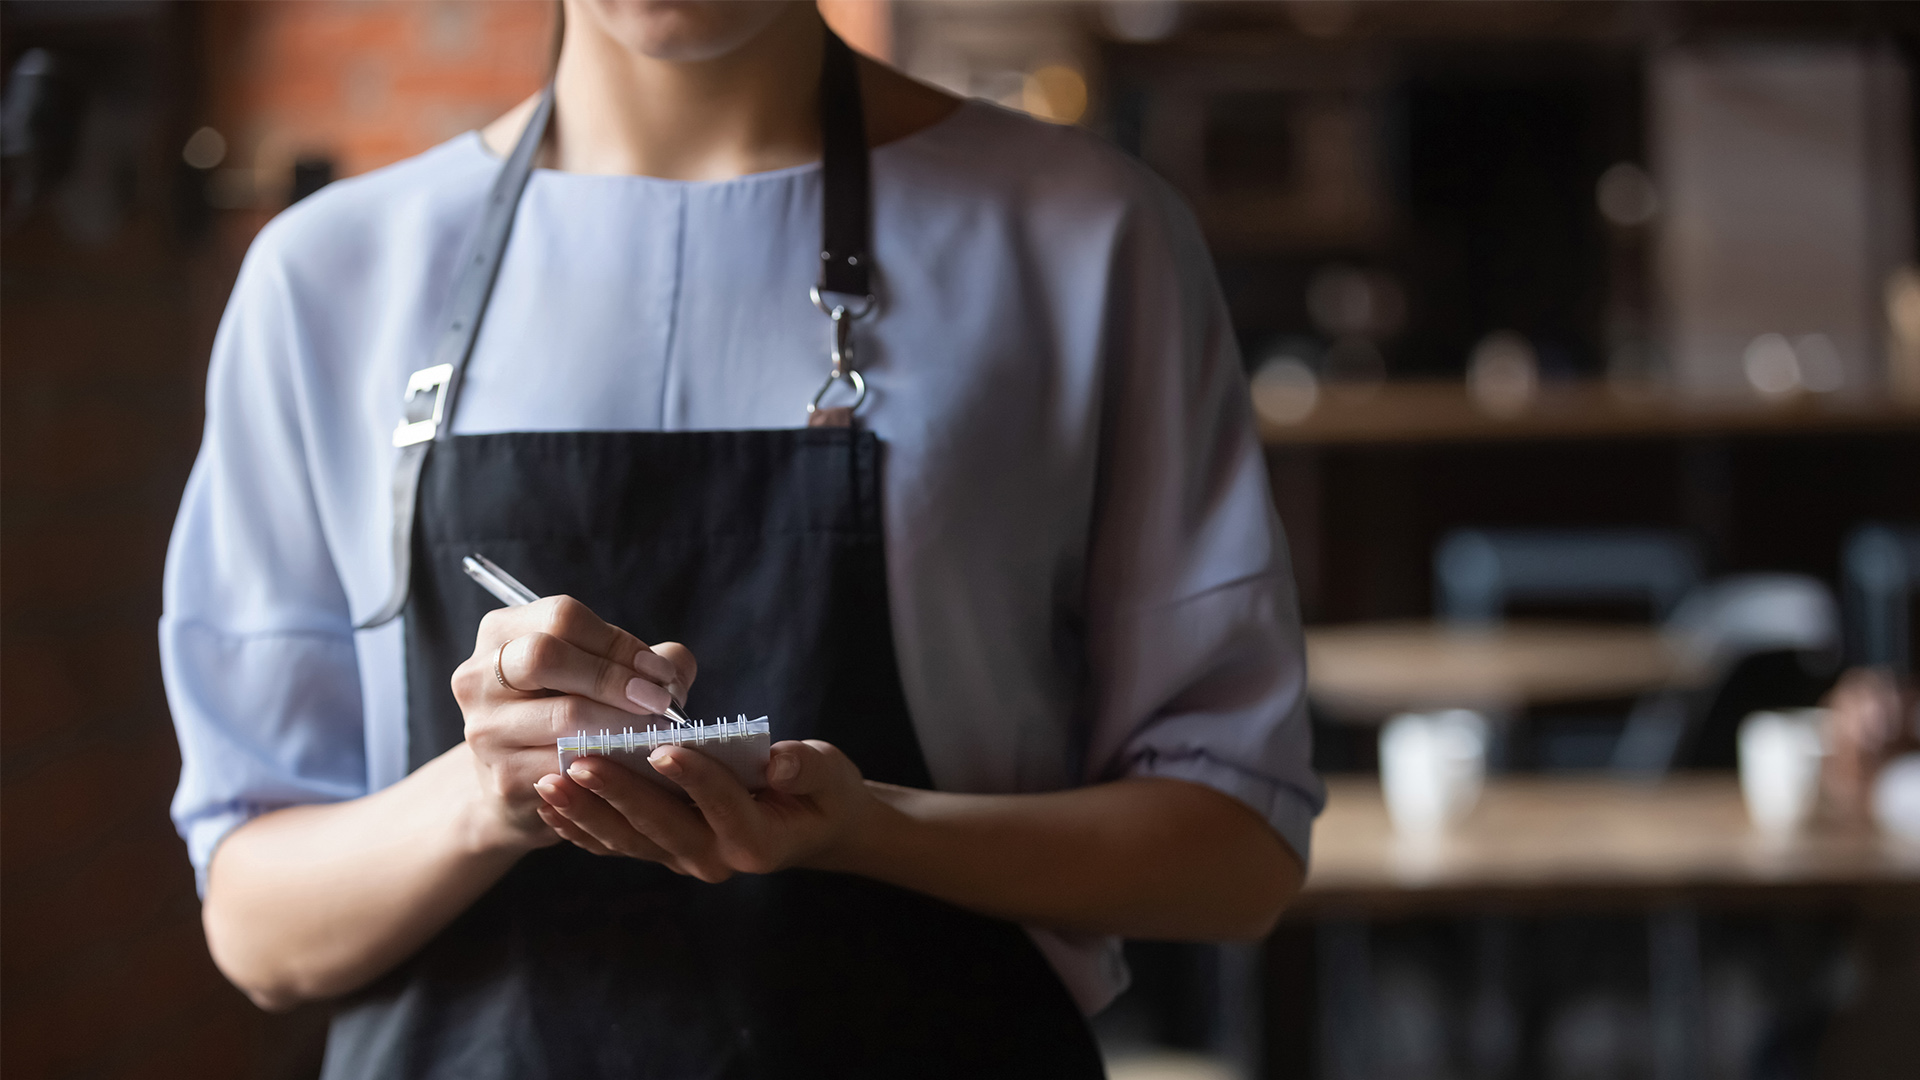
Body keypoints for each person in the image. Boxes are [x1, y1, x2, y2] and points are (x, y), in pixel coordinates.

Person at [161, 2, 1323, 1075]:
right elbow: (261, 930)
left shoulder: (1086, 238)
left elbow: (1236, 857)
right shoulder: (326, 277)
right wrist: (482, 798)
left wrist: (876, 829)